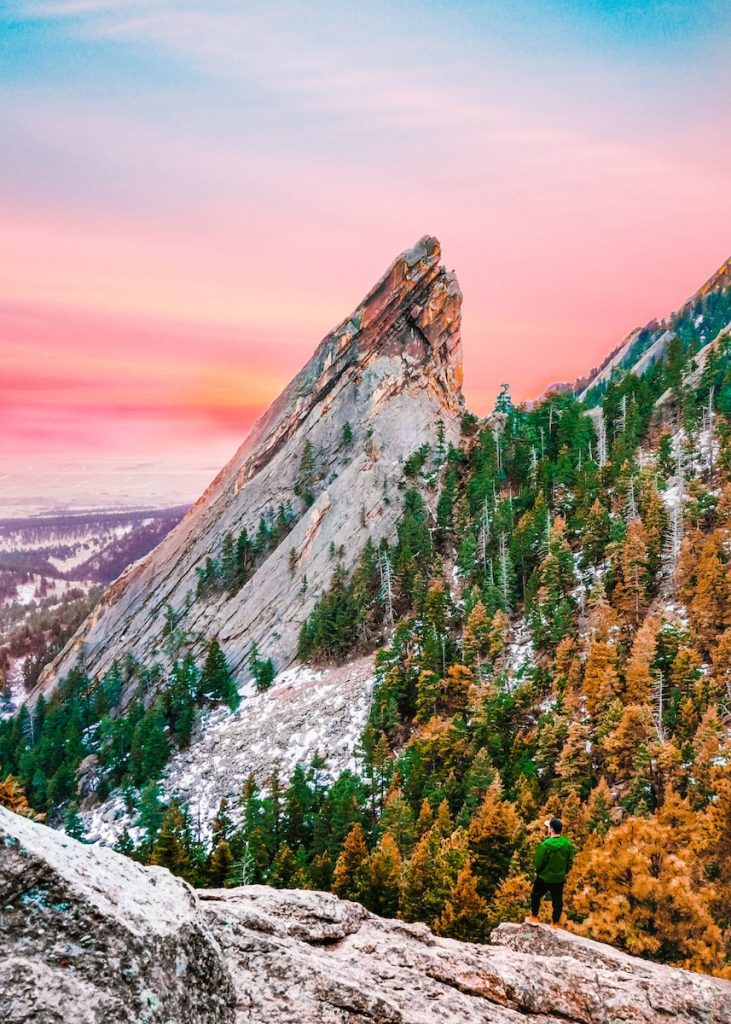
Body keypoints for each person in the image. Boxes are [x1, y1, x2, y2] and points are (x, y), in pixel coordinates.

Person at [525, 816, 574, 928]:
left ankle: (534, 917)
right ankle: (554, 923)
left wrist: (538, 871)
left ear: (551, 829)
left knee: (536, 895)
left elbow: (539, 862)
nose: (547, 828)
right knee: (557, 900)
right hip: (559, 878)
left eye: (548, 827)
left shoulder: (545, 845)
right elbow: (570, 861)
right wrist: (564, 871)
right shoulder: (567, 844)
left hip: (544, 877)